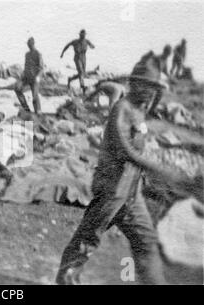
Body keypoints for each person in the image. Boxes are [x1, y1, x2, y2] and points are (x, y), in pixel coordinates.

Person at [55, 53, 203, 285]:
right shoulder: (122, 109)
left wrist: (157, 90)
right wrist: (162, 169)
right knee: (88, 239)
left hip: (132, 192)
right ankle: (66, 280)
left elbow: (152, 104)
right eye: (147, 86)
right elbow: (128, 152)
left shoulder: (140, 110)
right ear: (135, 84)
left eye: (154, 88)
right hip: (112, 190)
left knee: (146, 242)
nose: (151, 93)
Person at [61, 29, 95, 94]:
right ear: (80, 35)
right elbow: (67, 46)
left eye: (84, 35)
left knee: (82, 73)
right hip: (77, 57)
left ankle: (70, 79)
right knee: (81, 72)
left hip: (84, 58)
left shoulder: (86, 41)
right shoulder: (75, 41)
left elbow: (92, 46)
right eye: (82, 35)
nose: (83, 36)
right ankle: (82, 87)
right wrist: (62, 53)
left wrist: (92, 46)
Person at [14, 37, 43, 114]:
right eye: (28, 45)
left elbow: (41, 68)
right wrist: (22, 75)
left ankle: (38, 112)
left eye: (30, 44)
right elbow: (26, 66)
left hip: (34, 78)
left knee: (35, 96)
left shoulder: (38, 54)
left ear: (33, 44)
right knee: (17, 88)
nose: (29, 46)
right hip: (26, 77)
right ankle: (26, 109)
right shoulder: (27, 54)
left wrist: (38, 77)